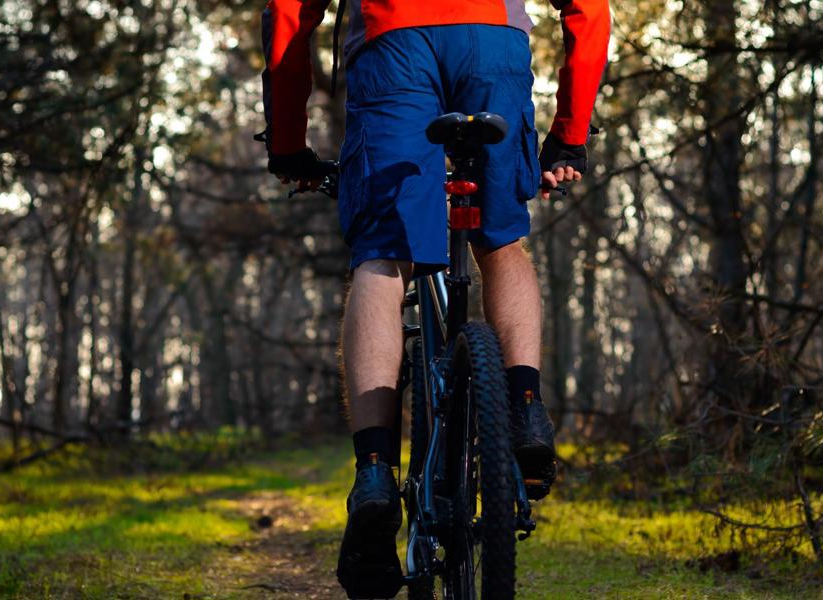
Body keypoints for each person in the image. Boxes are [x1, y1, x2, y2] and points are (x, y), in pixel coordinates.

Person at [260, 0, 610, 595]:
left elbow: (288, 11)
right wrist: (570, 135)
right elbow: (589, 7)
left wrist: (288, 142)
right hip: (492, 44)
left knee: (385, 255)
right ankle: (524, 407)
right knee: (501, 241)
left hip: (394, 43)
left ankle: (374, 471)